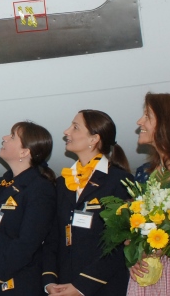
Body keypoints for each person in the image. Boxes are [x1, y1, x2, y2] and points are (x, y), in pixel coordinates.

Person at [43, 110, 132, 295]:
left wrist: (81, 287)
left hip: (102, 287)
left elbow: (119, 244)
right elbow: (53, 237)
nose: (66, 132)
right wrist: (49, 281)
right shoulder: (63, 183)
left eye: (75, 127)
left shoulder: (120, 181)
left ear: (94, 139)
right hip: (64, 286)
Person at [0, 121, 56, 296]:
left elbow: (26, 245)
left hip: (16, 286)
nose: (4, 138)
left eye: (12, 136)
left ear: (25, 152)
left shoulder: (40, 189)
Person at [127, 93, 170, 296]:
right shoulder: (142, 174)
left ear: (167, 123)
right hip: (147, 273)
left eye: (147, 116)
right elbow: (129, 227)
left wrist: (167, 245)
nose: (139, 122)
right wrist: (133, 255)